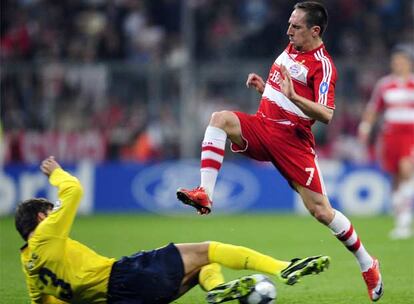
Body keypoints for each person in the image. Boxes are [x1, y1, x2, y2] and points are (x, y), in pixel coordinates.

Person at [176, 1, 383, 302]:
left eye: (296, 27)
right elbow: (283, 91)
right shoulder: (291, 48)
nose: (288, 31)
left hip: (292, 142)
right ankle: (205, 192)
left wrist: (294, 96)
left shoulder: (323, 65)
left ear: (314, 31)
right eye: (289, 23)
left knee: (321, 211)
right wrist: (265, 90)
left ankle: (367, 263)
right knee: (220, 119)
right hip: (263, 127)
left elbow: (326, 114)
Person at [16, 156, 331, 304]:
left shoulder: (29, 265)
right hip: (126, 275)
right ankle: (283, 268)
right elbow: (73, 191)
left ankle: (217, 290)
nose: (54, 213)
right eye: (50, 211)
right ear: (42, 219)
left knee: (204, 266)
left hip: (124, 299)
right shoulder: (46, 234)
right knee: (207, 249)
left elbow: (44, 303)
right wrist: (57, 174)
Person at [358, 45, 414, 240]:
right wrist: (365, 127)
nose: (397, 64)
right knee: (396, 177)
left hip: (411, 134)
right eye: (395, 61)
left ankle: (405, 219)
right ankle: (400, 214)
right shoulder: (385, 85)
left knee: (406, 169)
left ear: (409, 63)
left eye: (401, 61)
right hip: (391, 136)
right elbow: (374, 108)